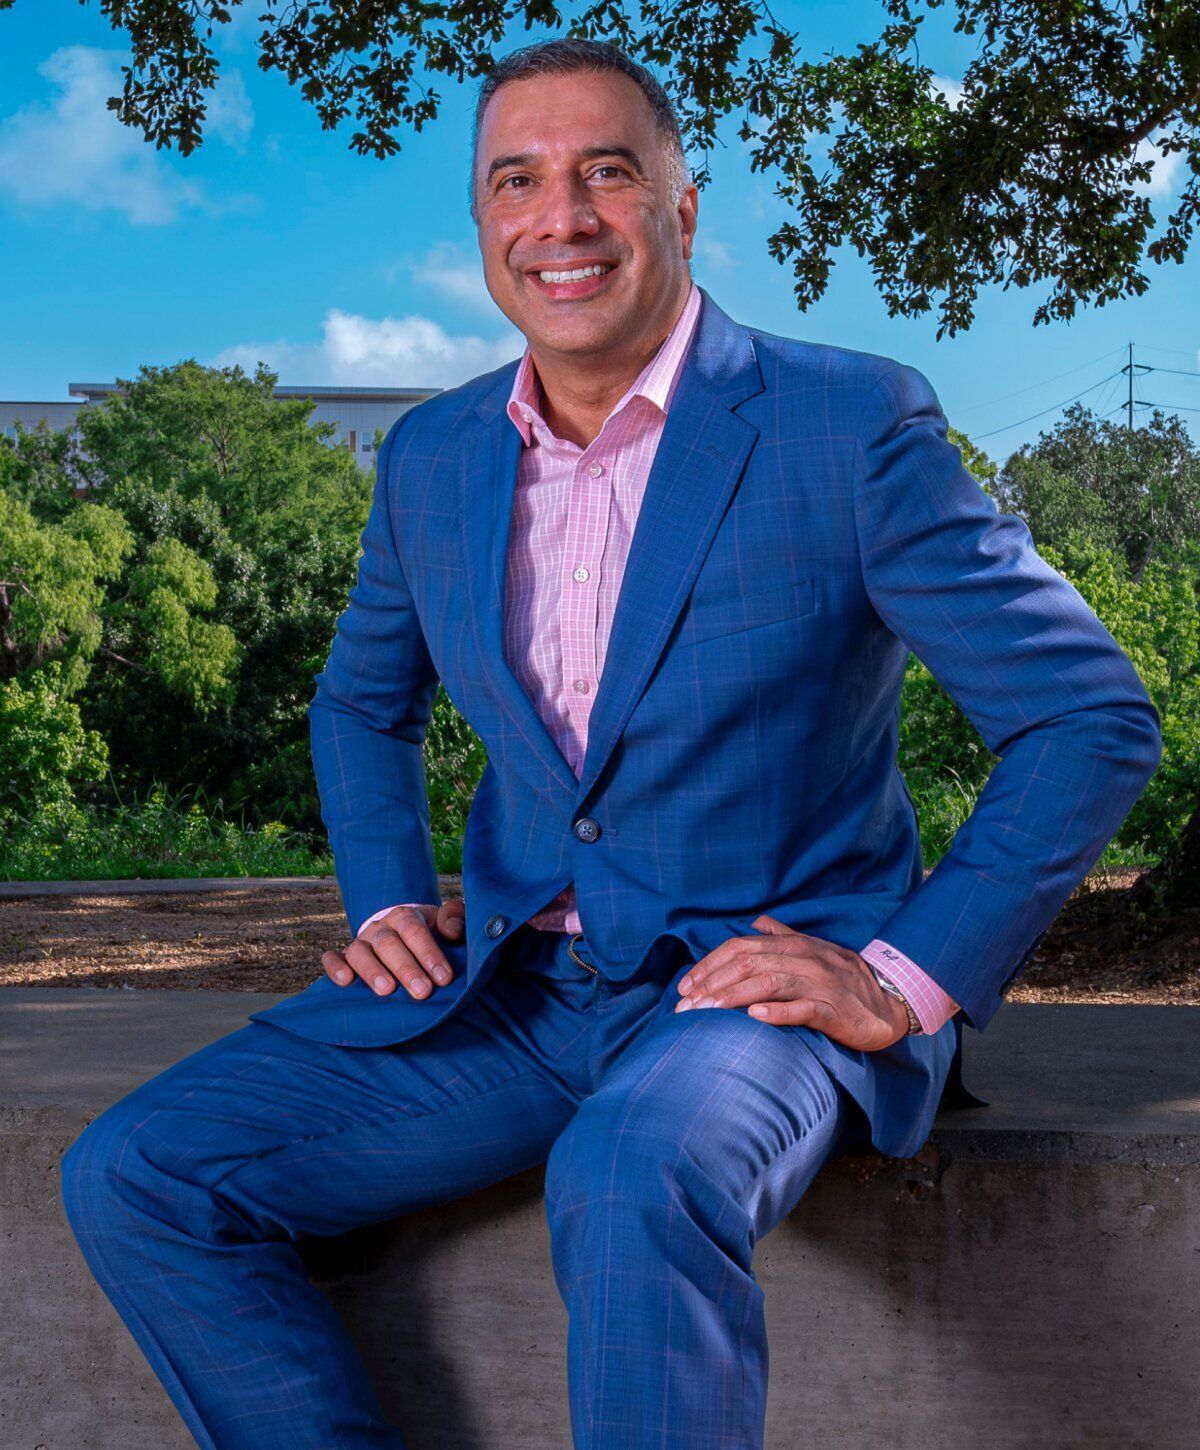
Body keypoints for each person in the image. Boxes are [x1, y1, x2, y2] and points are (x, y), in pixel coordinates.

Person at [60, 36, 1163, 1450]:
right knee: (142, 1172)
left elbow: (1086, 714)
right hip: (515, 996)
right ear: (482, 223)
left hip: (756, 992)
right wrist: (387, 892)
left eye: (605, 173)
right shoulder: (432, 457)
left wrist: (899, 977)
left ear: (682, 204)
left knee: (630, 1168)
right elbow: (358, 701)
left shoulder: (848, 424)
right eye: (517, 180)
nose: (560, 217)